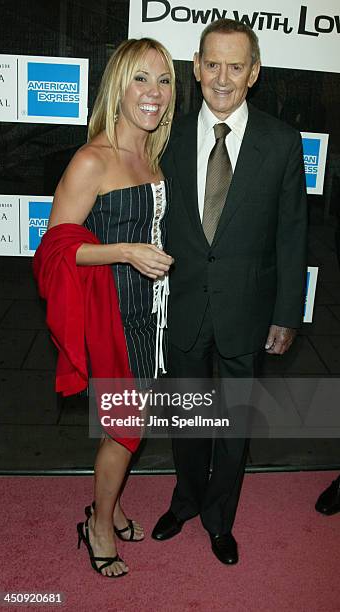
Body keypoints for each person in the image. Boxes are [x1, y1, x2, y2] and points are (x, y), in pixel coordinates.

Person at [152, 19, 308, 565]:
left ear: (255, 73)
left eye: (235, 66)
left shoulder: (282, 143)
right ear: (195, 69)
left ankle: (221, 519)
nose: (222, 78)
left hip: (250, 310)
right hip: (184, 307)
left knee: (235, 422)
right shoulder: (165, 135)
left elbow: (293, 236)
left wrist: (288, 314)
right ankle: (187, 500)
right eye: (211, 64)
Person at [34, 38, 175, 577]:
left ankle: (108, 507)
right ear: (118, 87)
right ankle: (97, 523)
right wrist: (124, 252)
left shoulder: (150, 153)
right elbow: (53, 247)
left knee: (129, 424)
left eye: (163, 81)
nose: (153, 92)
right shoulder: (94, 158)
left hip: (152, 315)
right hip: (114, 317)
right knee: (124, 426)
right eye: (141, 78)